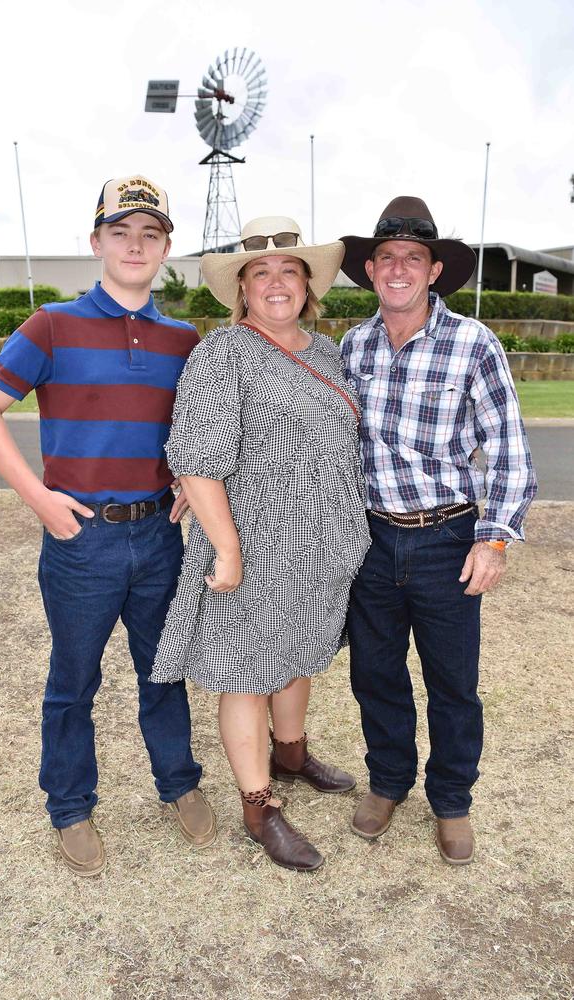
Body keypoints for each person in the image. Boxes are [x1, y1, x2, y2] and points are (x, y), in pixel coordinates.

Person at [0, 173, 216, 876]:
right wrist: (39, 498)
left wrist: (192, 487)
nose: (135, 245)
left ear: (167, 246)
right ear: (97, 240)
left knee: (163, 672)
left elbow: (194, 429)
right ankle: (71, 805)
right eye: (121, 231)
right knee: (73, 682)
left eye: (151, 233)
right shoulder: (52, 324)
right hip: (82, 540)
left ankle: (179, 785)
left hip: (160, 536)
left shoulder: (184, 339)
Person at [150, 216, 370, 871]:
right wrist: (228, 548)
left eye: (289, 271)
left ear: (307, 284)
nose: (276, 282)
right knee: (247, 675)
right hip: (247, 542)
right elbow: (195, 458)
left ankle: (293, 753)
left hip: (319, 541)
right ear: (243, 287)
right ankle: (258, 805)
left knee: (300, 650)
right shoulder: (223, 355)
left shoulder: (329, 353)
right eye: (260, 272)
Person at [339, 196, 537, 865]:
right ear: (371, 269)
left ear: (432, 270)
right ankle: (388, 782)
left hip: (447, 539)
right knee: (375, 674)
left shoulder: (473, 344)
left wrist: (495, 535)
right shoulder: (354, 346)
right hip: (370, 538)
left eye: (413, 258)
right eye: (387, 257)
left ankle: (451, 799)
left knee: (453, 682)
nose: (399, 269)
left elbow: (508, 450)